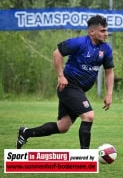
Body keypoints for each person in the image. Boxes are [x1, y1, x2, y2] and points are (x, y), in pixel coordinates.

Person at [16, 14, 114, 149]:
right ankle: (84, 157)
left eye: (106, 30)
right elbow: (57, 53)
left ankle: (26, 132)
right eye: (103, 31)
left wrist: (109, 94)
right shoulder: (79, 43)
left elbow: (109, 71)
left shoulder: (106, 49)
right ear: (92, 31)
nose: (106, 34)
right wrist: (61, 76)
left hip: (79, 91)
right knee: (89, 116)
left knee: (63, 126)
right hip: (69, 87)